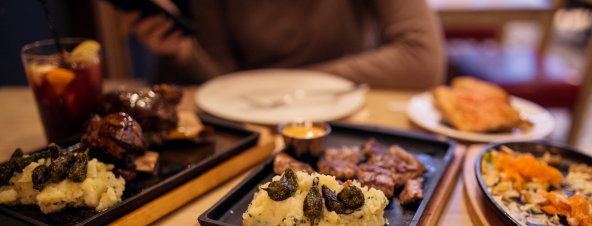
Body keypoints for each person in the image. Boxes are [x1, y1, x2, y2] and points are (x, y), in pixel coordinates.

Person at [123, 0, 446, 89]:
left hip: (352, 115)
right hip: (258, 123)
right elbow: (225, 82)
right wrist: (185, 52)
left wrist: (291, 86)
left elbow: (422, 59)